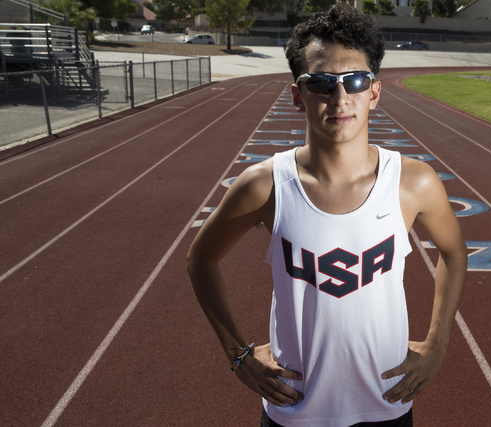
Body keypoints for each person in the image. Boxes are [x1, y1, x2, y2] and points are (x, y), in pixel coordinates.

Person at [187, 4, 467, 426]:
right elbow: (200, 259)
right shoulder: (265, 185)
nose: (340, 98)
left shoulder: (413, 182)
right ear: (298, 95)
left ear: (373, 91)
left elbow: (454, 253)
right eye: (320, 83)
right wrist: (238, 353)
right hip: (294, 410)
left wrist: (438, 342)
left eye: (354, 81)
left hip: (387, 405)